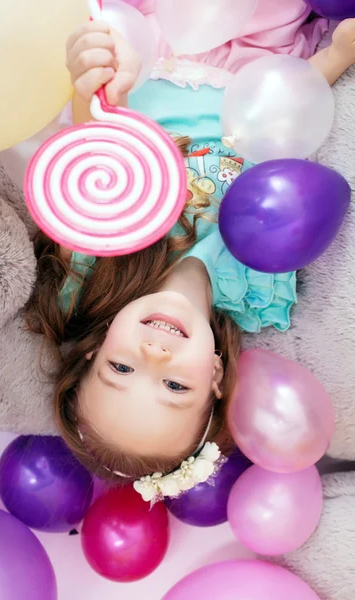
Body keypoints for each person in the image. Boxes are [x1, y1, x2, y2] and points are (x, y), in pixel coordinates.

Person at [26, 9, 355, 501]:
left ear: (96, 350)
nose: (153, 355)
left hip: (150, 54)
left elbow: (92, 150)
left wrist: (92, 79)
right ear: (216, 378)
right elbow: (286, 132)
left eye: (121, 370)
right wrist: (337, 57)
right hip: (262, 59)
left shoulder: (97, 260)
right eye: (175, 387)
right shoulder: (258, 286)